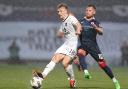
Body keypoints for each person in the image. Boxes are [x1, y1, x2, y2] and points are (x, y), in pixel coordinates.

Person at [30, 3, 82, 89]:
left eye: (60, 11)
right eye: (58, 11)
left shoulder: (71, 18)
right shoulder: (63, 23)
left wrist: (78, 30)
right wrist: (58, 34)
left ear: (65, 11)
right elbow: (60, 33)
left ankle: (72, 80)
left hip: (73, 45)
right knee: (55, 58)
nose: (59, 13)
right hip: (66, 44)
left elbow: (78, 25)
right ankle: (41, 77)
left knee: (65, 63)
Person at [77, 4, 120, 89]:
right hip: (83, 46)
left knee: (102, 64)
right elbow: (76, 30)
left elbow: (101, 32)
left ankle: (115, 81)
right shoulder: (80, 21)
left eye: (89, 10)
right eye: (86, 10)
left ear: (94, 12)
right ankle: (86, 72)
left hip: (93, 47)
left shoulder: (96, 22)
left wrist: (95, 27)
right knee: (79, 53)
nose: (87, 12)